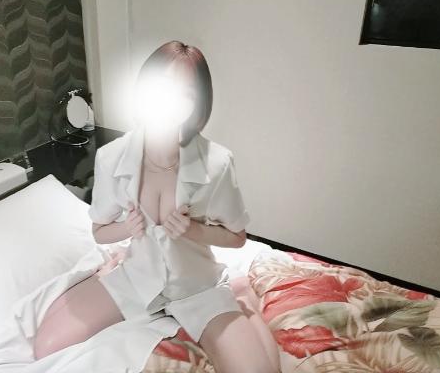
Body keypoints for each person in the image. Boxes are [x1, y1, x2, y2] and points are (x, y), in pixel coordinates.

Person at [33, 41, 276, 372]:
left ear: (198, 104)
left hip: (198, 285)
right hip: (138, 278)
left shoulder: (217, 162)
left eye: (184, 94)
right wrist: (126, 229)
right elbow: (99, 231)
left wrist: (194, 230)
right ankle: (109, 268)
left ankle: (241, 293)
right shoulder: (111, 157)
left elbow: (237, 237)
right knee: (46, 346)